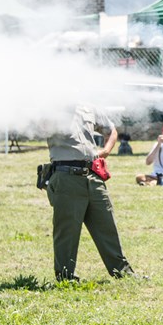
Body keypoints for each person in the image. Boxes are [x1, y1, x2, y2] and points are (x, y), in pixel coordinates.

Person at [46, 104, 134, 281]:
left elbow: (111, 130)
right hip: (66, 175)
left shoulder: (88, 106)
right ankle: (65, 276)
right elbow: (40, 129)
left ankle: (122, 273)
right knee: (67, 231)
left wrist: (106, 151)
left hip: (93, 175)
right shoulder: (49, 105)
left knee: (107, 225)